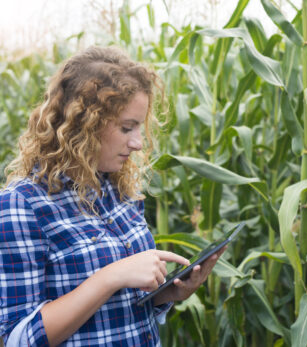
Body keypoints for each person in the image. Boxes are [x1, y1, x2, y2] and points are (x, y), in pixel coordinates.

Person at [0, 45, 225, 346]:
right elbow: (15, 338)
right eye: (126, 128)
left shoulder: (118, 189)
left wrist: (167, 294)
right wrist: (111, 276)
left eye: (139, 128)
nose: (138, 144)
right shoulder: (22, 204)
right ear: (83, 123)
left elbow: (119, 310)